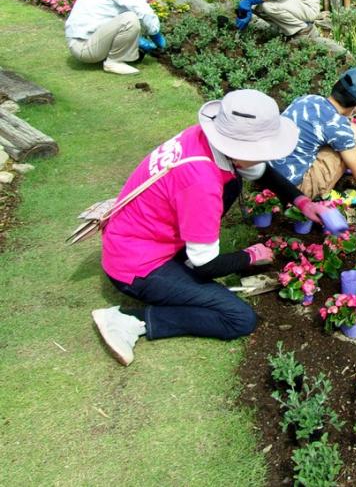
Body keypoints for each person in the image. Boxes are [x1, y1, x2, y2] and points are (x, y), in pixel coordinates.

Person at [92, 89, 300, 366]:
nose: (267, 154)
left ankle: (184, 262)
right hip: (138, 266)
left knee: (235, 183)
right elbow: (205, 265)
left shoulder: (206, 141)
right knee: (238, 318)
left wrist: (302, 201)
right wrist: (249, 256)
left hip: (138, 238)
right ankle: (128, 320)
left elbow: (259, 172)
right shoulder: (202, 183)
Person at [266, 68, 356, 200]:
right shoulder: (338, 127)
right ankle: (324, 194)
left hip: (265, 171)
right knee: (355, 133)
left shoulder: (308, 99)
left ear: (336, 83)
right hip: (292, 188)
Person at [64, 0, 165, 75]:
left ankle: (114, 57)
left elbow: (110, 18)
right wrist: (156, 35)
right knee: (130, 18)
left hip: (84, 41)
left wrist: (138, 41)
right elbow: (145, 13)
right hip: (83, 47)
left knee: (129, 17)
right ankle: (114, 62)